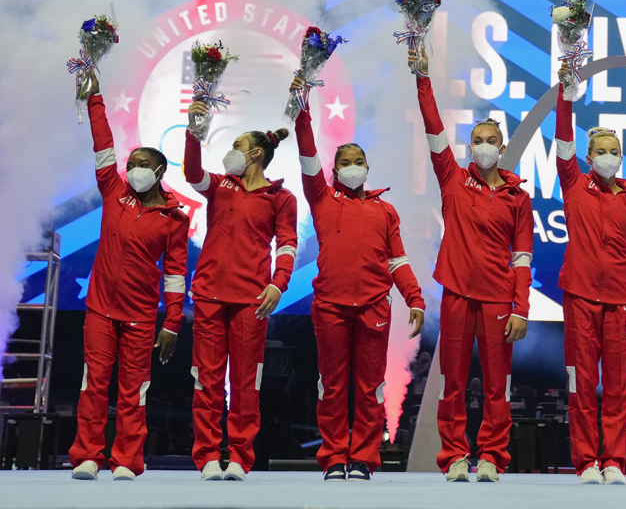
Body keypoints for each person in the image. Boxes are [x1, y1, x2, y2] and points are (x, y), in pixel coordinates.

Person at [289, 76, 426, 482]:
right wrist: (301, 104)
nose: (352, 166)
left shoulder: (386, 211)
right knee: (332, 387)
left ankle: (364, 458)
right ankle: (334, 457)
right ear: (333, 170)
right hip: (330, 307)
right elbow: (307, 149)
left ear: (367, 167)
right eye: (344, 161)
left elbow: (398, 261)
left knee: (370, 390)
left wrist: (415, 299)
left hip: (373, 309)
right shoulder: (321, 198)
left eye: (358, 160)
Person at [409, 48, 533, 483]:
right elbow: (432, 127)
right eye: (477, 140)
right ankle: (456, 456)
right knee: (453, 383)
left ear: (502, 148)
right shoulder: (452, 180)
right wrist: (423, 76)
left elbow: (522, 257)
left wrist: (521, 308)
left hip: (500, 298)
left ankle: (493, 458)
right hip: (458, 293)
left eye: (490, 141)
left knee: (498, 387)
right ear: (469, 147)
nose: (483, 146)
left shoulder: (519, 197)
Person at [69, 70, 190, 481]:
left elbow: (175, 274)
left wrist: (172, 322)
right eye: (131, 163)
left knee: (132, 391)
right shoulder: (114, 192)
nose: (133, 169)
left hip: (141, 317)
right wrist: (94, 97)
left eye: (142, 165)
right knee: (93, 384)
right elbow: (102, 145)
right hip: (100, 311)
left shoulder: (174, 218)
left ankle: (126, 460)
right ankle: (88, 455)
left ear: (159, 172)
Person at [185, 100, 298, 480]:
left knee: (247, 382)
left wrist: (278, 284)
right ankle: (206, 458)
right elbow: (192, 172)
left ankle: (239, 457)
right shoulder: (219, 186)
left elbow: (287, 244)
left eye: (237, 145)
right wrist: (194, 130)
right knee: (207, 380)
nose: (231, 152)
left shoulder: (282, 198)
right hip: (209, 296)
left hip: (252, 300)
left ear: (254, 153)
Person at [553, 62, 626, 486]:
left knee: (617, 386)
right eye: (602, 152)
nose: (609, 157)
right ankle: (586, 461)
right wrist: (565, 94)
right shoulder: (574, 183)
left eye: (616, 151)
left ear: (621, 157)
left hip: (620, 302)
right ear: (589, 158)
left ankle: (613, 460)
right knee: (581, 383)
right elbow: (561, 140)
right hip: (579, 297)